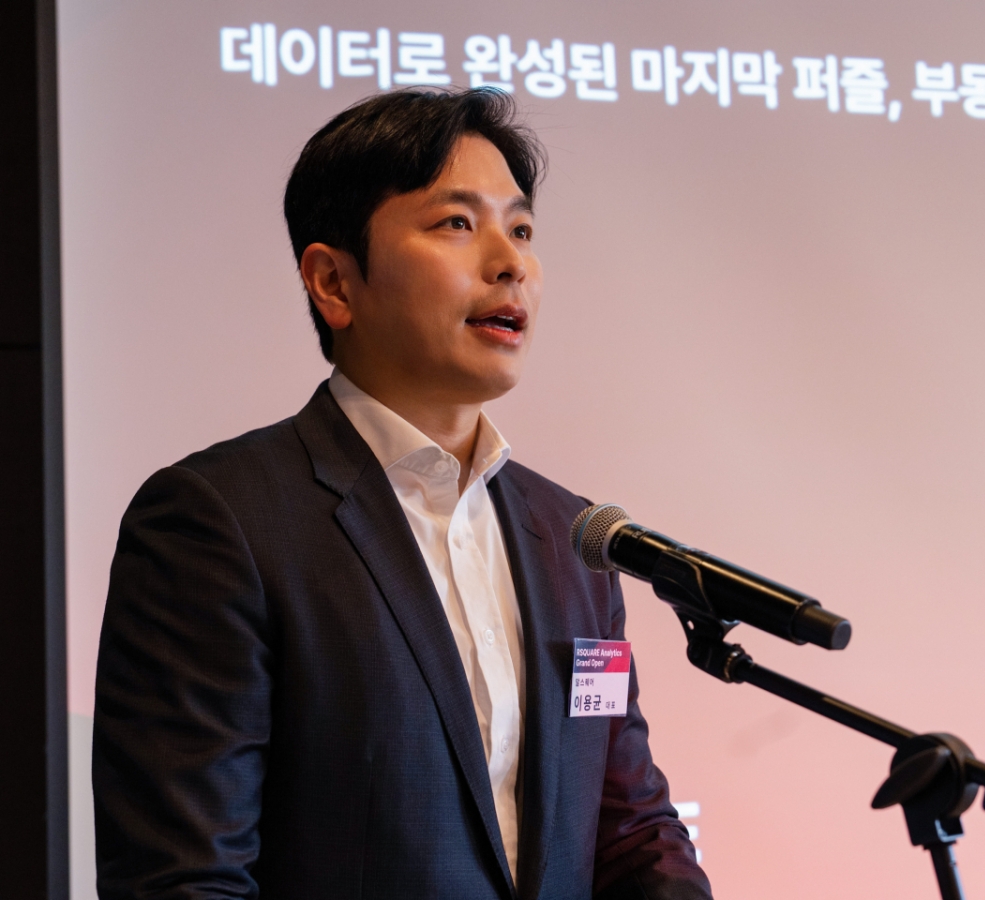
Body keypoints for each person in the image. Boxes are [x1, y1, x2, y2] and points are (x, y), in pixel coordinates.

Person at [92, 88, 712, 900]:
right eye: (457, 223)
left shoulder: (573, 538)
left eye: (522, 230)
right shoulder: (219, 523)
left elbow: (628, 832)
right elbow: (186, 879)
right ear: (333, 282)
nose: (510, 262)